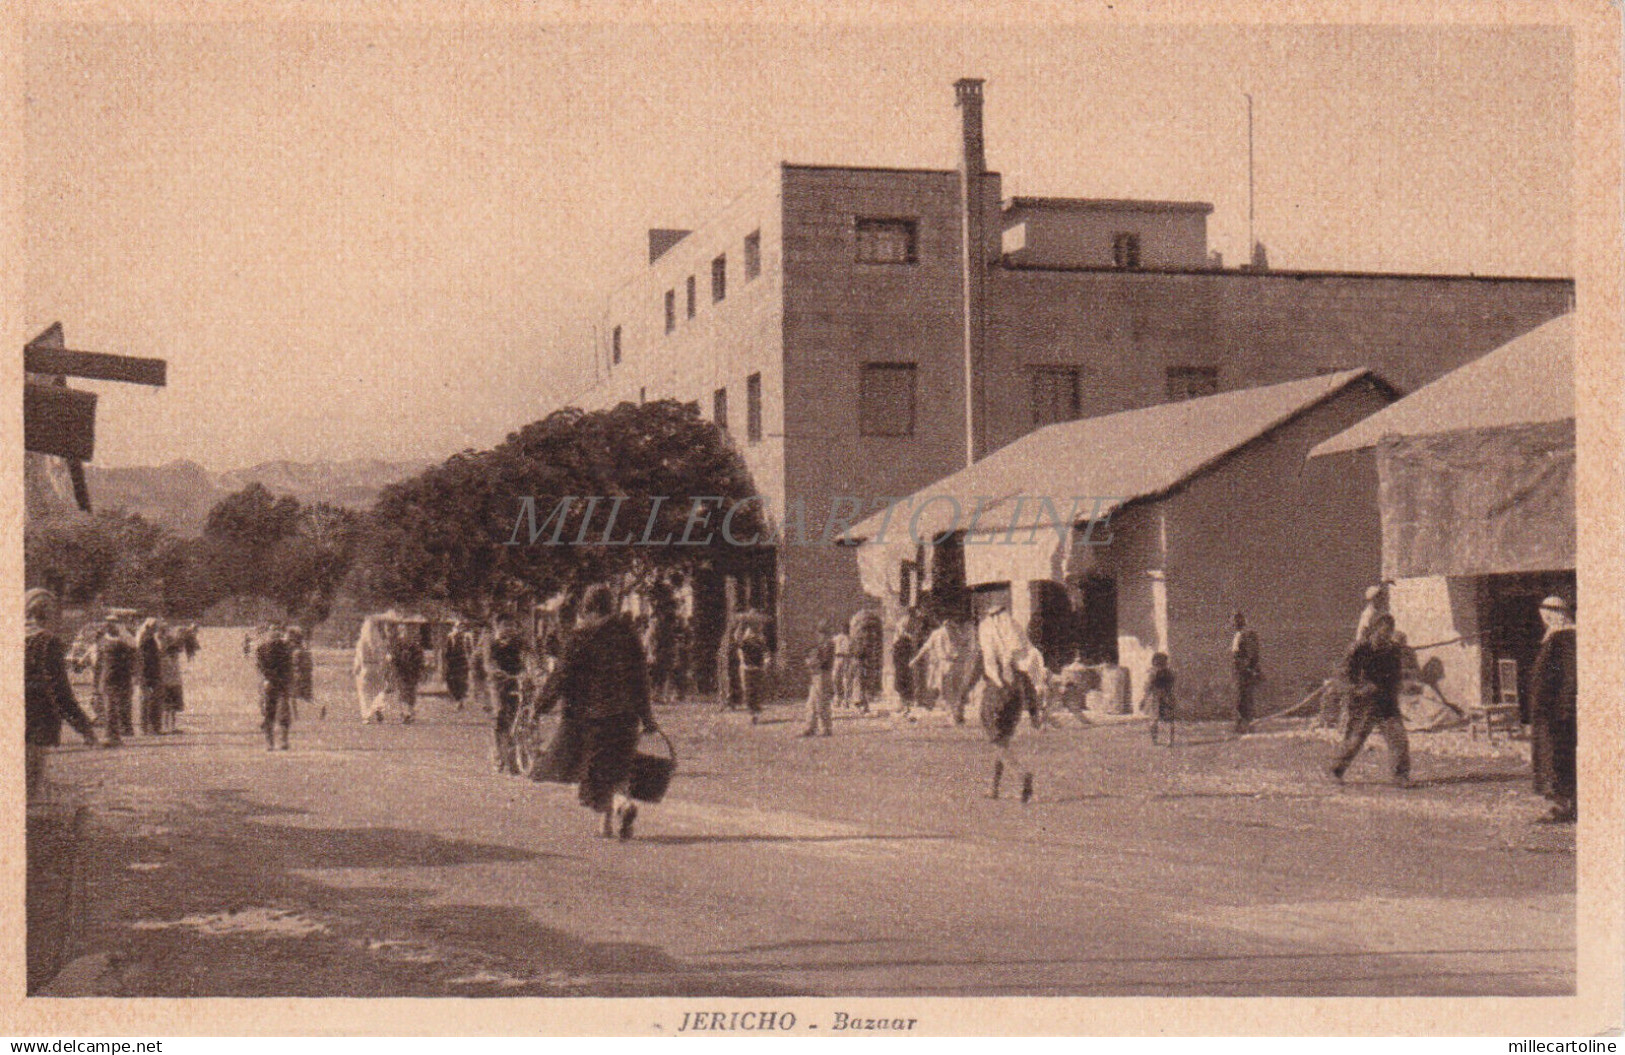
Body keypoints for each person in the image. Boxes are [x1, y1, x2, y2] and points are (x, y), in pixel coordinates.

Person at [543, 584, 659, 839]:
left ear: (590, 608)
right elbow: (641, 680)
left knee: (596, 774)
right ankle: (608, 823)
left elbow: (561, 676)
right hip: (627, 717)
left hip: (594, 718)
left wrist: (541, 706)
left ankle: (620, 806)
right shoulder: (629, 636)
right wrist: (648, 718)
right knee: (618, 767)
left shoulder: (581, 636)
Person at [25, 589, 98, 801]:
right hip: (37, 723)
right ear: (49, 615)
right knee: (30, 791)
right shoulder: (47, 642)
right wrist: (85, 728)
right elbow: (60, 692)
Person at [1330, 614, 1412, 786]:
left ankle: (1400, 776)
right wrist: (1358, 689)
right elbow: (1342, 676)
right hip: (1364, 703)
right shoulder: (1359, 649)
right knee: (1354, 740)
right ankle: (1336, 771)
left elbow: (1396, 675)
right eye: (1381, 634)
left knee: (1398, 738)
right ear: (1373, 632)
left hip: (1386, 702)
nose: (1384, 638)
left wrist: (1396, 689)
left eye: (1388, 634)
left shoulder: (1393, 650)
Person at [975, 602, 1040, 803]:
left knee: (997, 742)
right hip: (1016, 698)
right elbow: (1028, 682)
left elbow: (973, 672)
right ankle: (993, 787)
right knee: (1003, 742)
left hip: (996, 694)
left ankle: (1021, 775)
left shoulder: (988, 650)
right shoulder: (1020, 661)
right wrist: (1034, 712)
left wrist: (958, 701)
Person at [1529, 595, 1577, 824]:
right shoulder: (1555, 637)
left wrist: (1563, 708)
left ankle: (1564, 805)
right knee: (1551, 756)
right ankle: (1563, 803)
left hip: (1557, 712)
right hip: (1548, 711)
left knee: (1558, 757)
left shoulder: (1565, 638)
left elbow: (1569, 677)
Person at [487, 613, 527, 773]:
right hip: (499, 683)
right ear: (498, 627)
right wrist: (496, 671)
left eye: (512, 626)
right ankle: (498, 757)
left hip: (518, 680)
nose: (509, 629)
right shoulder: (492, 643)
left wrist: (536, 669)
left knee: (521, 714)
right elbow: (488, 661)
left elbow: (531, 655)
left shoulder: (520, 642)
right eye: (505, 625)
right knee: (500, 716)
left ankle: (520, 755)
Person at [93, 616, 138, 747]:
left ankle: (116, 735)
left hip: (122, 679)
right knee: (110, 708)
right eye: (109, 624)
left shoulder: (124, 640)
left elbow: (134, 649)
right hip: (108, 679)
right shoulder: (103, 642)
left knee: (120, 707)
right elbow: (98, 662)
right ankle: (111, 736)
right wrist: (96, 683)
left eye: (114, 623)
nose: (111, 626)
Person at [255, 624, 295, 751]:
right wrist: (266, 679)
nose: (275, 635)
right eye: (272, 632)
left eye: (277, 632)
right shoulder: (262, 649)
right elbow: (260, 667)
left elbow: (289, 667)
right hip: (270, 684)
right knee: (269, 712)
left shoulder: (286, 648)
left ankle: (283, 740)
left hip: (280, 684)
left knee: (282, 712)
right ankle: (270, 742)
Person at [800, 620, 837, 737]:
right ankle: (810, 727)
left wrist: (811, 662)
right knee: (811, 703)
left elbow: (823, 661)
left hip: (822, 675)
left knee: (821, 703)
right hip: (816, 675)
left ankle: (826, 728)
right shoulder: (823, 645)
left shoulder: (828, 644)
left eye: (820, 633)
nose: (818, 636)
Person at [1230, 612, 1264, 735]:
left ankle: (1247, 726)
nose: (1234, 624)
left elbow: (1251, 655)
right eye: (1233, 621)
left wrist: (1248, 669)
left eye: (1236, 621)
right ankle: (1241, 726)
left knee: (1245, 699)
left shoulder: (1246, 636)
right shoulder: (1238, 635)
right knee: (1241, 699)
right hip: (1240, 673)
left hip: (1245, 673)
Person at [353, 615, 392, 723]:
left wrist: (356, 668)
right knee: (379, 690)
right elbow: (385, 656)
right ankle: (377, 708)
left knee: (364, 692)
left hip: (366, 667)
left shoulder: (361, 643)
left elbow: (359, 657)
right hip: (377, 667)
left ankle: (367, 715)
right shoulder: (379, 641)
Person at [389, 624, 425, 724]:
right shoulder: (396, 644)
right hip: (401, 671)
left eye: (404, 630)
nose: (403, 633)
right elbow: (393, 658)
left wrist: (419, 668)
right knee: (402, 692)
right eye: (401, 631)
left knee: (410, 693)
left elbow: (419, 657)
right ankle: (405, 714)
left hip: (411, 671)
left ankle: (409, 713)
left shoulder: (413, 644)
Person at [136, 618, 166, 736]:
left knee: (150, 701)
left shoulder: (148, 638)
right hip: (149, 675)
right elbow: (144, 659)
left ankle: (150, 727)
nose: (156, 629)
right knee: (149, 701)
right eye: (154, 627)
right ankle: (150, 727)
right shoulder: (146, 640)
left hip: (151, 674)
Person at [737, 623, 769, 723]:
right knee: (753, 691)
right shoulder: (748, 643)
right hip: (751, 669)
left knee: (752, 691)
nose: (751, 634)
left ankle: (754, 713)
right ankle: (754, 713)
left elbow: (766, 655)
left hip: (752, 669)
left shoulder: (756, 643)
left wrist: (765, 664)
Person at [1145, 652, 1177, 746]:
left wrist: (1146, 696)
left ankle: (1156, 740)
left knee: (1154, 720)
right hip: (1166, 696)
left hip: (1156, 697)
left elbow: (1147, 686)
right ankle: (1168, 741)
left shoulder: (1152, 672)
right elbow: (1172, 684)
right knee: (1167, 720)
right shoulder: (1169, 672)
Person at [287, 627, 316, 721]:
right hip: (307, 677)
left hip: (297, 677)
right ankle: (319, 708)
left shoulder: (296, 652)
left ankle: (296, 716)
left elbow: (293, 665)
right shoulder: (305, 651)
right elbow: (310, 665)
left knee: (292, 697)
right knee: (307, 697)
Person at [442, 621, 471, 711]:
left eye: (462, 627)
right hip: (452, 662)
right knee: (451, 681)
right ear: (455, 627)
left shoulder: (467, 637)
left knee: (461, 682)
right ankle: (457, 699)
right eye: (458, 627)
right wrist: (446, 661)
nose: (460, 629)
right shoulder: (451, 636)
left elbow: (470, 650)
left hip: (463, 662)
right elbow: (447, 650)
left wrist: (469, 661)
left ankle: (460, 701)